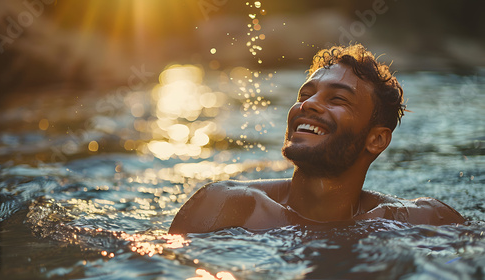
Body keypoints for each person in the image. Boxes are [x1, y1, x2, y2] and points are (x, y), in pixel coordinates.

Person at [168, 44, 465, 235]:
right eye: (305, 95)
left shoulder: (423, 220)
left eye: (337, 98)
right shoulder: (226, 206)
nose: (306, 105)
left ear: (376, 140)